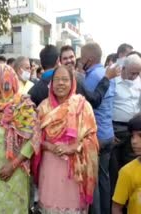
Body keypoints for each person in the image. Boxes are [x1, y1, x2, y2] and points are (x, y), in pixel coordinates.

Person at [37, 65, 99, 213]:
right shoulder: (43, 107)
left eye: (65, 79)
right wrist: (49, 146)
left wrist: (74, 147)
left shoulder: (83, 106)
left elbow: (92, 139)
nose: (60, 83)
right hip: (50, 165)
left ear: (72, 83)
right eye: (57, 80)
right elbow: (34, 139)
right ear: (51, 83)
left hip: (75, 170)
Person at [0, 64, 41, 213]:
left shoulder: (23, 105)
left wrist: (12, 165)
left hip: (16, 170)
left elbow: (32, 140)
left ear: (5, 81)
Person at [81, 43, 116, 214]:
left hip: (97, 138)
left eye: (81, 58)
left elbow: (88, 102)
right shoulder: (107, 75)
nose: (80, 62)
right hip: (108, 133)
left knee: (92, 182)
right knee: (104, 179)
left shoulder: (92, 77)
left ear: (89, 59)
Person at [29, 44, 119, 108]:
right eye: (65, 58)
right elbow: (94, 101)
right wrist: (106, 78)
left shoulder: (34, 89)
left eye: (71, 57)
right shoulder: (73, 81)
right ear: (58, 61)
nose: (69, 61)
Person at [110, 54, 141, 195]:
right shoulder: (114, 83)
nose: (134, 76)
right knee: (116, 167)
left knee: (132, 164)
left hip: (134, 130)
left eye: (137, 72)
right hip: (116, 129)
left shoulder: (139, 83)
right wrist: (110, 130)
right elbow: (107, 108)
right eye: (132, 72)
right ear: (124, 68)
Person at [112, 113, 141, 214]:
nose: (134, 141)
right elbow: (116, 207)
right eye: (132, 136)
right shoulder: (127, 172)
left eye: (140, 135)